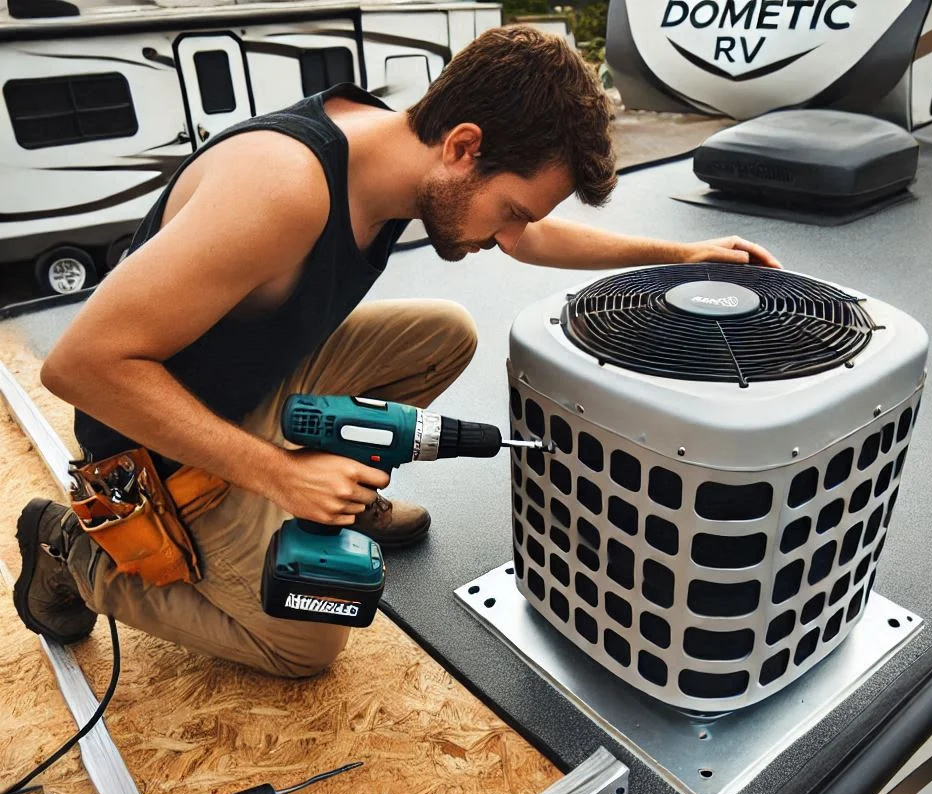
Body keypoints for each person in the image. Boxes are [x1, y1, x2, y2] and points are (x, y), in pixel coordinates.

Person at [12, 26, 780, 678]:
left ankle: (312, 486)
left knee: (444, 333)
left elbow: (530, 233)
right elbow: (81, 367)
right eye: (506, 209)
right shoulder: (284, 188)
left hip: (254, 382)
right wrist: (278, 474)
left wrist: (680, 253)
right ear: (464, 146)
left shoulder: (394, 147)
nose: (502, 238)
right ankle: (74, 550)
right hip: (155, 450)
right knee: (306, 642)